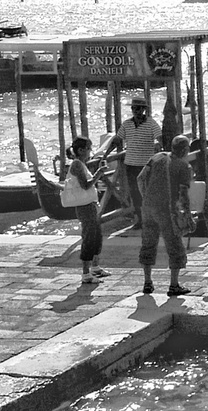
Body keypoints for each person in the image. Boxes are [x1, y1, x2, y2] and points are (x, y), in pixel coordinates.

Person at [138, 134, 194, 296]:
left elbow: (140, 178)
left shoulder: (157, 157)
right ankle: (174, 285)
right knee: (175, 246)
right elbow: (183, 195)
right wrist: (187, 217)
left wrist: (146, 197)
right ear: (185, 149)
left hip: (148, 207)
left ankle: (147, 282)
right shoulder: (184, 167)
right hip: (167, 211)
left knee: (148, 244)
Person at [103, 95, 162, 228]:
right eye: (134, 108)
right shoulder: (126, 124)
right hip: (130, 165)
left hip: (146, 165)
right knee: (135, 193)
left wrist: (163, 150)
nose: (137, 111)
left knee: (148, 192)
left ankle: (150, 219)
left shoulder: (152, 123)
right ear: (132, 109)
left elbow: (160, 137)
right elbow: (117, 140)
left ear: (144, 110)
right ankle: (140, 219)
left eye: (139, 108)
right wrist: (105, 155)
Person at [65, 136, 108, 284]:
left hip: (90, 205)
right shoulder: (77, 165)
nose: (90, 151)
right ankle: (85, 273)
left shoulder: (81, 164)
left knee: (97, 236)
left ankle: (95, 266)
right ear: (81, 150)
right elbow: (86, 185)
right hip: (84, 207)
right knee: (89, 237)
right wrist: (99, 173)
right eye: (89, 148)